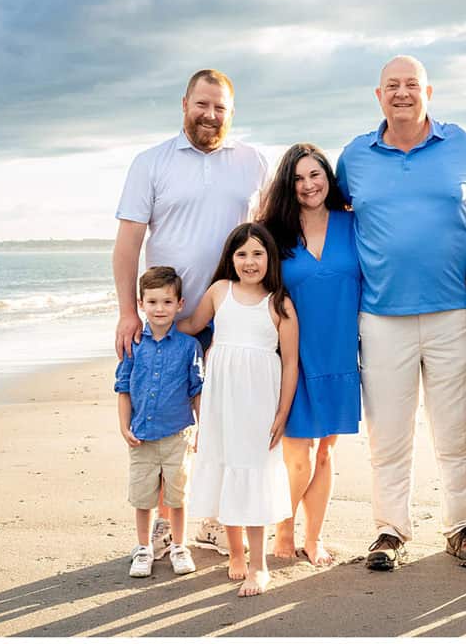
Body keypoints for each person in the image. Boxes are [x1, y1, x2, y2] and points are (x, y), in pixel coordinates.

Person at [335, 55, 466, 571]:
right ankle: (390, 530)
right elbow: (333, 210)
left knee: (455, 430)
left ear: (428, 91)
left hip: (452, 313)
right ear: (378, 95)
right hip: (380, 315)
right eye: (392, 85)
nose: (402, 93)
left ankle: (463, 527)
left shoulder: (460, 144)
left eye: (411, 85)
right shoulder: (356, 156)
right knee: (389, 433)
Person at [113, 68, 269, 558]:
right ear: (184, 103)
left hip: (233, 316)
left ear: (232, 111)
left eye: (220, 107)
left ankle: (219, 522)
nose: (210, 114)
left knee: (225, 422)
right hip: (168, 322)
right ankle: (162, 525)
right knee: (161, 421)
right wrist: (127, 314)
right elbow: (128, 245)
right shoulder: (151, 162)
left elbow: (264, 239)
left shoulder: (253, 161)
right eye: (202, 104)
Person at [178, 223, 298, 597]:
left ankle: (259, 565)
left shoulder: (279, 302)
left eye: (258, 253)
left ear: (270, 258)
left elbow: (291, 363)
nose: (250, 261)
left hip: (260, 398)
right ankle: (235, 554)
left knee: (253, 471)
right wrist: (154, 324)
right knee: (228, 467)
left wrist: (282, 413)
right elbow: (193, 326)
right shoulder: (219, 292)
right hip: (221, 397)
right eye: (242, 253)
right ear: (231, 258)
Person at [256, 143, 361, 567]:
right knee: (296, 455)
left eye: (315, 175)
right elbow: (245, 282)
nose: (308, 185)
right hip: (291, 357)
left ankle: (313, 538)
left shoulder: (352, 224)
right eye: (298, 178)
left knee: (324, 452)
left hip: (341, 352)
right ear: (288, 185)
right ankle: (283, 527)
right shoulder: (272, 232)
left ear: (328, 178)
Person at [115, 266, 203, 578]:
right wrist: (124, 427)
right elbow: (123, 389)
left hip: (178, 434)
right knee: (143, 498)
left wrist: (199, 429)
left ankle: (180, 546)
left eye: (167, 302)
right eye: (152, 302)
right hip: (141, 436)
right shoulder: (134, 344)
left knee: (177, 496)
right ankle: (144, 548)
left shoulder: (188, 346)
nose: (159, 309)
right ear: (141, 304)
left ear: (180, 304)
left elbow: (196, 391)